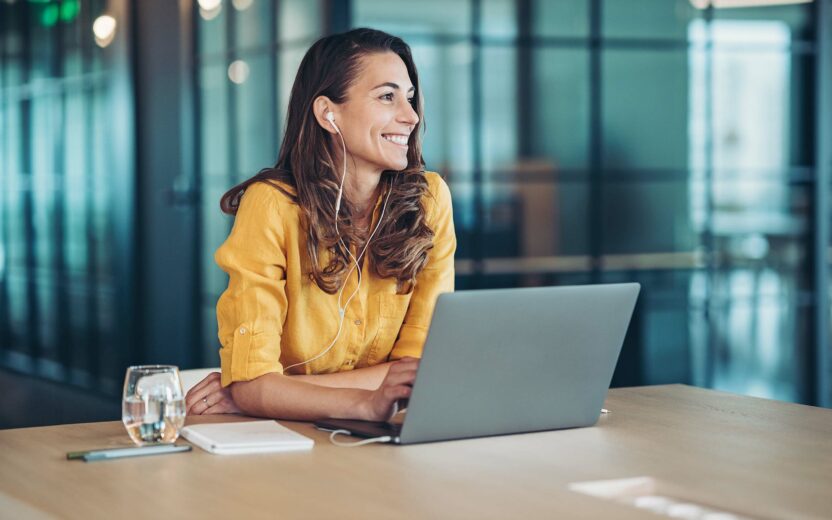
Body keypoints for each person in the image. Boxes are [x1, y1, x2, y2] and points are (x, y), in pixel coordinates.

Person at [184, 28, 455, 423]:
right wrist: (363, 398)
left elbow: (419, 375)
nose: (410, 116)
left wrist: (267, 393)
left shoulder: (430, 200)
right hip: (288, 443)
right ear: (329, 112)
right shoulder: (273, 205)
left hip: (386, 441)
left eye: (410, 98)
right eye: (387, 96)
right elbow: (253, 382)